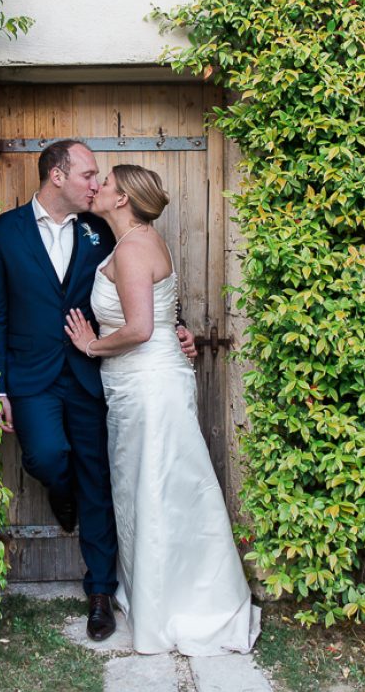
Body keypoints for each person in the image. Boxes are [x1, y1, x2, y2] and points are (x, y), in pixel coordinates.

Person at [0, 141, 195, 641]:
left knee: (98, 479)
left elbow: (139, 288)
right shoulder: (2, 232)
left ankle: (99, 591)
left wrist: (174, 327)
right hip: (32, 377)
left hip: (91, 373)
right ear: (57, 176)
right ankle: (62, 490)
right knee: (48, 458)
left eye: (100, 177)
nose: (96, 183)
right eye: (87, 174)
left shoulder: (104, 229)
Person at [64, 164, 261, 654]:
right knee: (158, 487)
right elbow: (163, 313)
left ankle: (177, 603)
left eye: (106, 183)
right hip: (144, 382)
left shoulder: (132, 248)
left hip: (148, 385)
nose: (98, 187)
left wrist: (91, 345)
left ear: (124, 198)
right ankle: (164, 591)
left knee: (156, 487)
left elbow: (139, 330)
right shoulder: (141, 240)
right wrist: (182, 335)